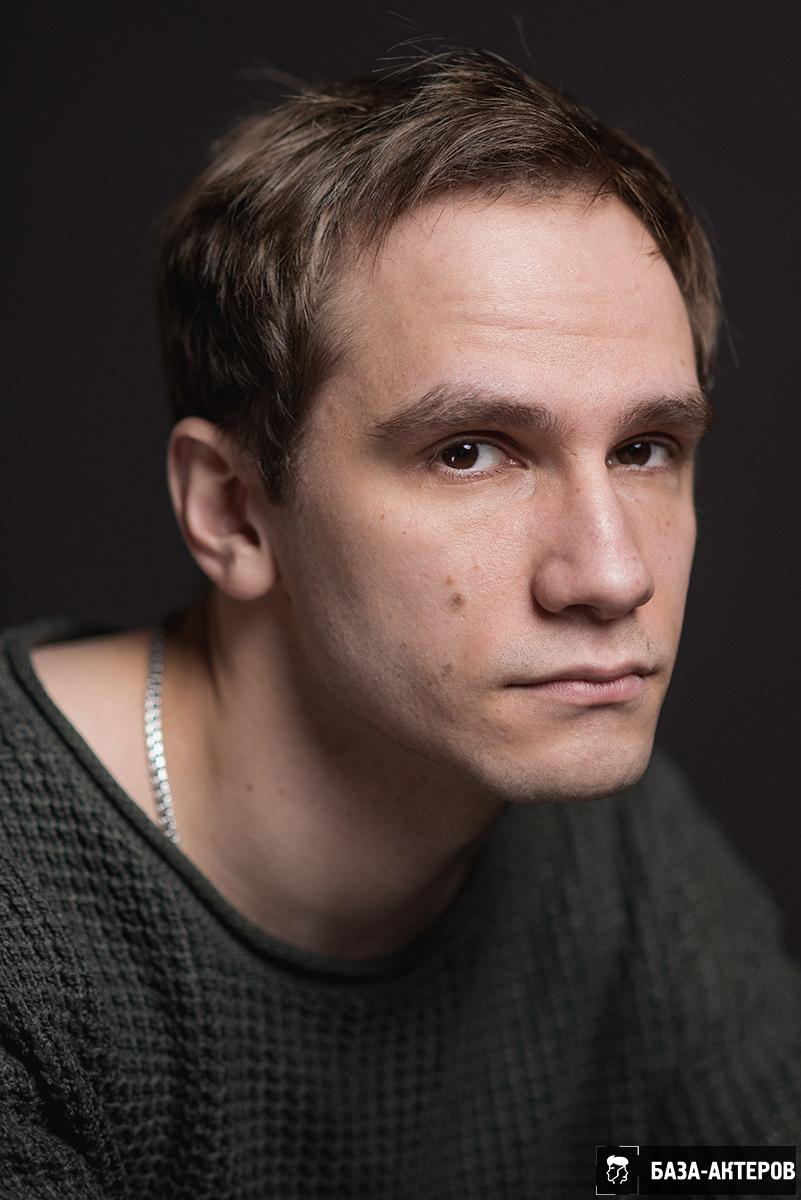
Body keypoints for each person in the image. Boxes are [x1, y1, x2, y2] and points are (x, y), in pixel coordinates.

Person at [1, 44, 799, 1199]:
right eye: (470, 451)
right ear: (234, 511)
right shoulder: (27, 918)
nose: (612, 574)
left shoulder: (604, 835)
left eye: (645, 448)